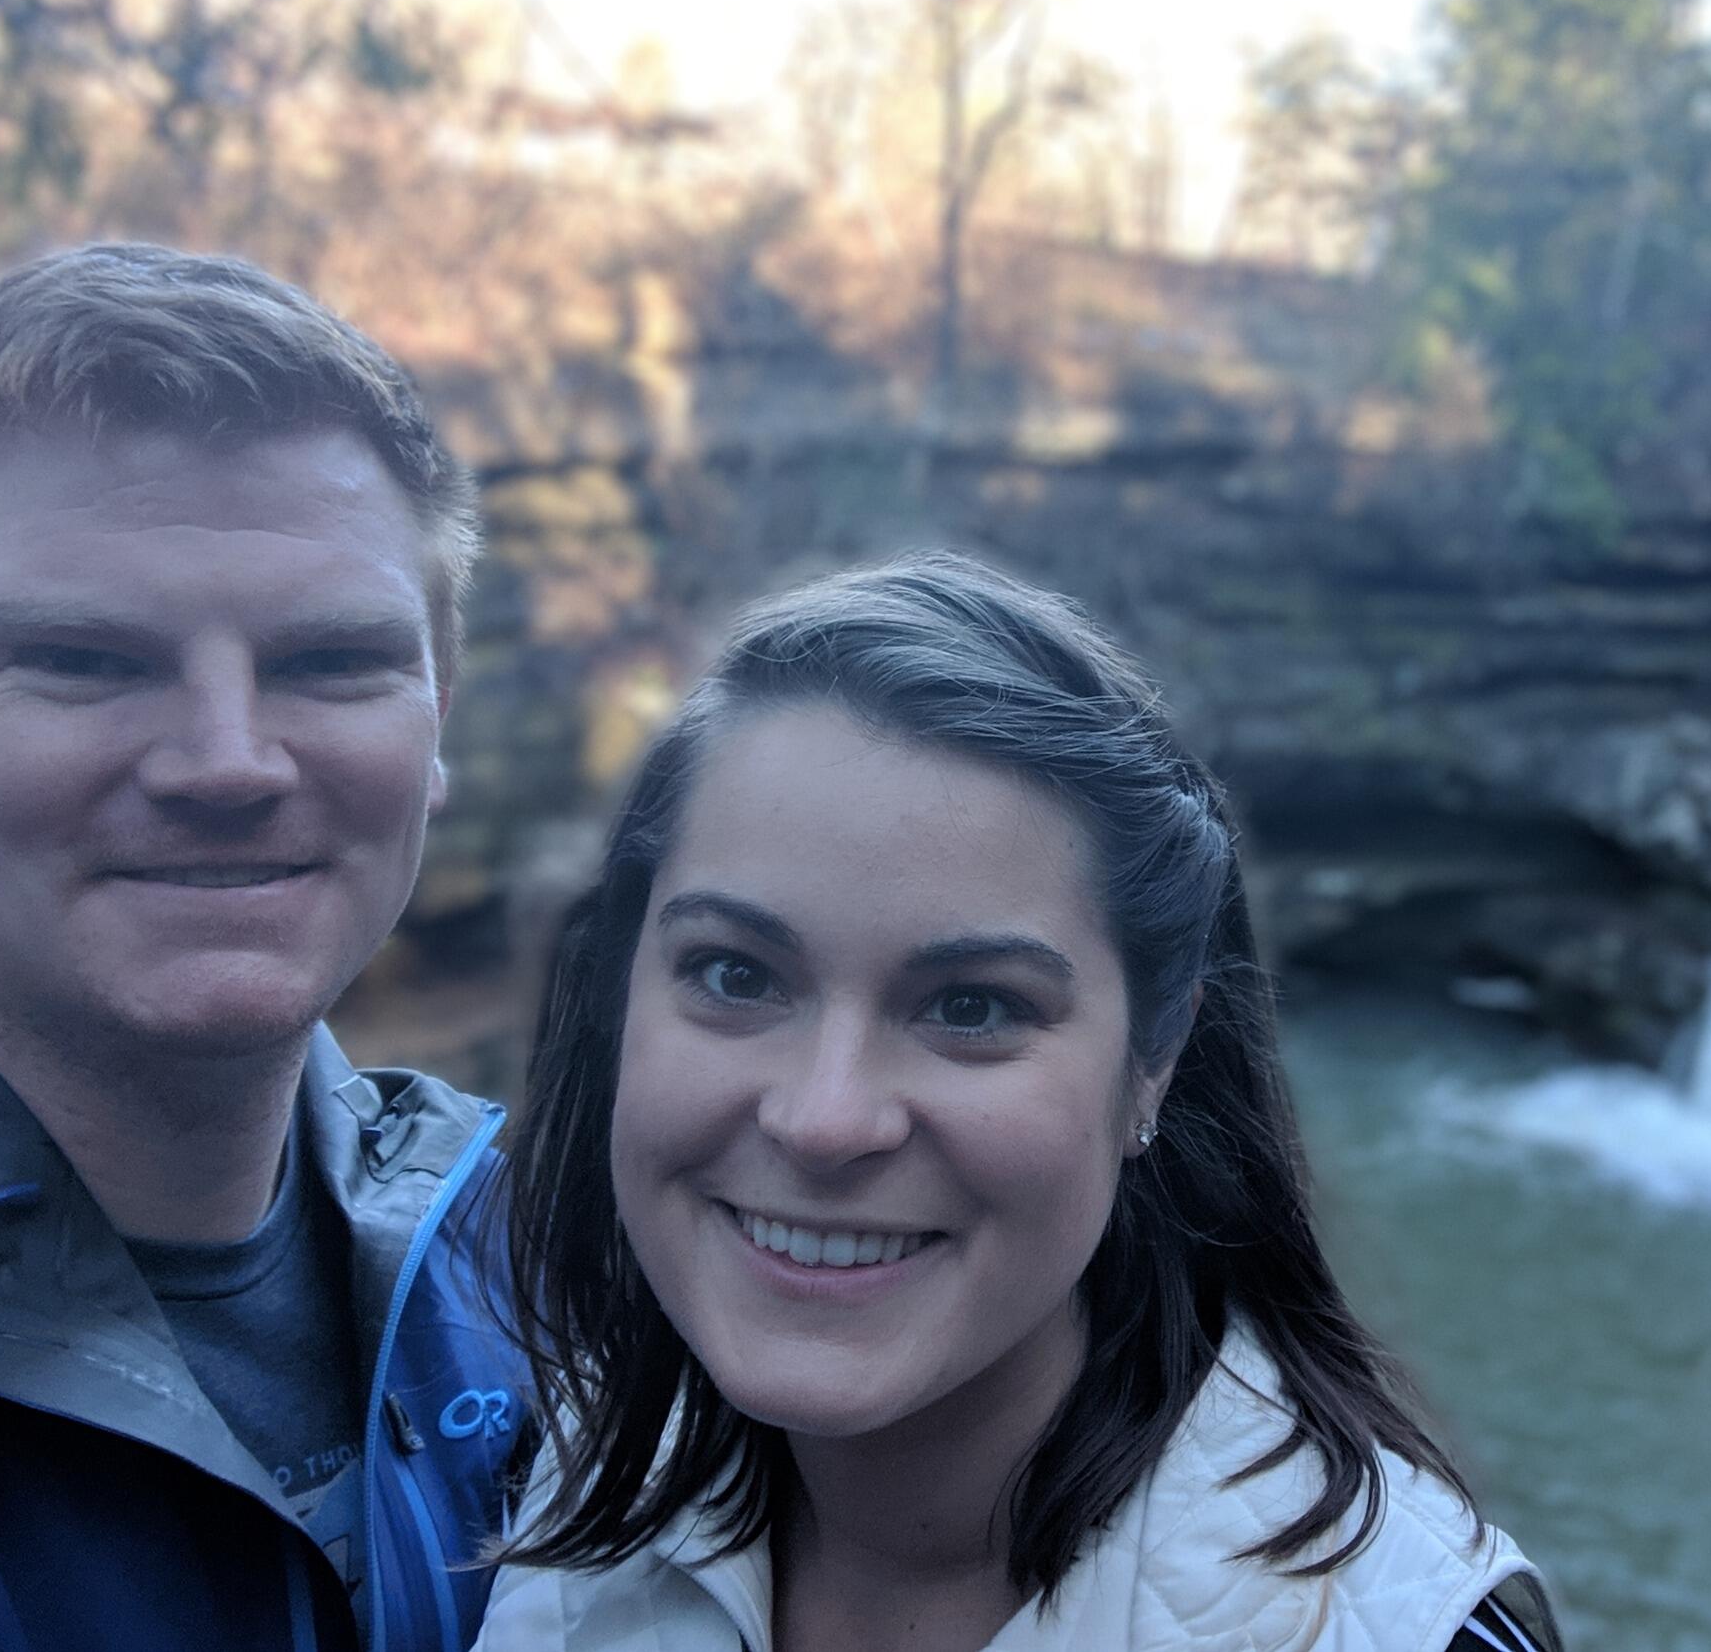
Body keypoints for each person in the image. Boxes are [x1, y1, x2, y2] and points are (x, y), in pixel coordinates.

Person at [481, 554, 1563, 1652]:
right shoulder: (541, 1489)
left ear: (1155, 1058)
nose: (824, 1119)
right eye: (735, 974)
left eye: (971, 1005)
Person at [0, 243, 532, 1652]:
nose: (228, 762)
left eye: (330, 662)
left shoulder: (557, 1270)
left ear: (436, 720)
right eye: (89, 661)